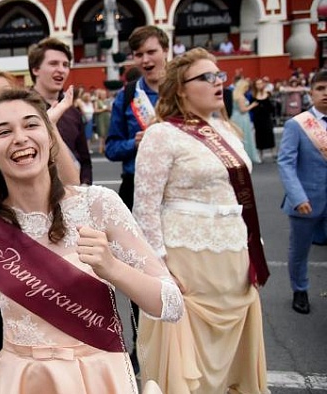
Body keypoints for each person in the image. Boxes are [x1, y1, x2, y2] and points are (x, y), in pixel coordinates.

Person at [0, 89, 183, 393]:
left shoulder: (99, 204)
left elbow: (171, 304)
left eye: (31, 125)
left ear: (49, 136)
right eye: (4, 131)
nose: (20, 138)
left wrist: (112, 268)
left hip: (98, 374)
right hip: (23, 378)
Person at [133, 48, 270, 393]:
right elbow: (145, 208)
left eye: (218, 75)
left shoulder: (227, 128)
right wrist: (159, 270)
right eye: (206, 77)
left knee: (230, 353)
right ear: (181, 88)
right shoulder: (161, 134)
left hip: (234, 255)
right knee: (191, 356)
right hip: (188, 260)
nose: (218, 82)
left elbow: (237, 196)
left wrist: (254, 246)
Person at [105, 25, 168, 371]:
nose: (146, 60)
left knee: (178, 266)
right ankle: (141, 343)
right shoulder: (128, 96)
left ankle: (180, 338)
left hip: (176, 193)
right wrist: (135, 143)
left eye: (151, 52)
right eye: (139, 54)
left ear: (166, 51)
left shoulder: (184, 90)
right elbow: (111, 147)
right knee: (136, 268)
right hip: (135, 187)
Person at [277, 70, 327, 314]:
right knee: (300, 250)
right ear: (311, 92)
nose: (325, 93)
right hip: (306, 200)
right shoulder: (297, 125)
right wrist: (297, 197)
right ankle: (300, 289)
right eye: (320, 88)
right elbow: (286, 162)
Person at [28, 37, 92, 184]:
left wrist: (85, 186)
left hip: (73, 195)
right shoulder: (22, 109)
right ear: (36, 69)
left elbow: (85, 160)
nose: (61, 69)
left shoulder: (73, 112)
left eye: (65, 65)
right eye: (53, 63)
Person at [230, 78, 261, 163]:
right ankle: (245, 155)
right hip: (242, 118)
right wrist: (252, 105)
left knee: (237, 137)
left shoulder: (234, 95)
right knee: (244, 136)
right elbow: (243, 110)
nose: (247, 89)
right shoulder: (241, 97)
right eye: (246, 87)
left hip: (235, 117)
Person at [250, 77, 276, 162]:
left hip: (267, 118)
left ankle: (273, 153)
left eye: (261, 83)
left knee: (269, 133)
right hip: (258, 119)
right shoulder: (253, 96)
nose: (259, 85)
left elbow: (272, 108)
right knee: (259, 135)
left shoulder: (268, 94)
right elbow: (252, 108)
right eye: (257, 84)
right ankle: (261, 155)